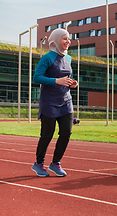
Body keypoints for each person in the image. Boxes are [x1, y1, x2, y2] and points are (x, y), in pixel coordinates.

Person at [31, 28, 78, 177]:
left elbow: (67, 77)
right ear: (56, 40)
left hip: (66, 101)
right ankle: (39, 163)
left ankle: (55, 163)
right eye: (64, 38)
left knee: (66, 132)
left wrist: (73, 83)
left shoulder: (68, 58)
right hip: (49, 102)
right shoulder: (47, 58)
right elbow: (36, 77)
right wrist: (56, 81)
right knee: (47, 134)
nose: (68, 42)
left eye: (69, 39)